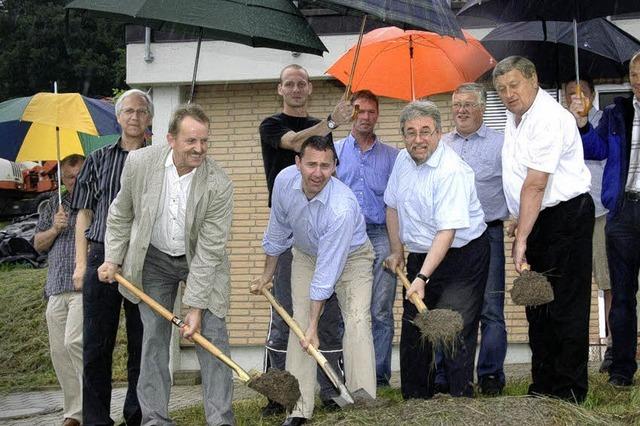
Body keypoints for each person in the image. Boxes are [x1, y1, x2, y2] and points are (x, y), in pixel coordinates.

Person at [98, 104, 235, 425]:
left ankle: (220, 420)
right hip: (154, 259)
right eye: (191, 141)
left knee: (213, 337)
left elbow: (210, 249)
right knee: (155, 341)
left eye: (204, 141)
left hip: (199, 259)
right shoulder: (140, 163)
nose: (199, 149)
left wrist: (196, 307)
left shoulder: (219, 183)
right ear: (171, 139)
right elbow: (121, 214)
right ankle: (155, 419)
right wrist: (112, 258)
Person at [252, 136, 376, 426]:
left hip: (352, 257)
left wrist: (314, 324)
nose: (317, 172)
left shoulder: (341, 207)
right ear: (298, 163)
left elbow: (327, 273)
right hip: (306, 254)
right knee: (299, 328)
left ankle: (362, 400)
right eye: (311, 164)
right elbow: (277, 231)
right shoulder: (284, 182)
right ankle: (298, 408)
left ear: (334, 168)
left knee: (357, 320)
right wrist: (267, 275)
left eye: (325, 165)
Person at [494, 56, 594, 402]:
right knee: (538, 305)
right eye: (502, 89)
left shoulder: (549, 117)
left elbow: (536, 185)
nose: (508, 94)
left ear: (533, 79)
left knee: (566, 307)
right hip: (539, 219)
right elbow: (520, 180)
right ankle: (544, 385)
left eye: (514, 85)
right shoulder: (514, 116)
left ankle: (569, 391)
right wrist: (520, 222)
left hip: (567, 218)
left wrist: (521, 238)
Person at [258, 64, 354, 414]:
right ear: (280, 89)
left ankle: (330, 389)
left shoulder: (325, 133)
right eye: (289, 84)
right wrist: (331, 122)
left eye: (302, 83)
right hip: (287, 237)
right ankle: (277, 393)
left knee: (327, 317)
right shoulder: (271, 125)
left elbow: (331, 170)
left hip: (321, 234)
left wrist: (331, 125)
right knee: (285, 316)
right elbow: (294, 142)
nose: (296, 89)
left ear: (310, 88)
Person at [384, 100, 489, 399]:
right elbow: (391, 205)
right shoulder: (402, 160)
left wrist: (423, 278)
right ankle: (417, 400)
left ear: (440, 133)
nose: (418, 139)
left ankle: (460, 401)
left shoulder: (452, 170)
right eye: (411, 132)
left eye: (426, 131)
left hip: (462, 255)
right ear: (403, 136)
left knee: (453, 326)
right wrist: (396, 251)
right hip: (421, 252)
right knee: (415, 327)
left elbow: (447, 231)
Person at [72, 88, 152, 425]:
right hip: (101, 257)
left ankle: (136, 414)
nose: (134, 117)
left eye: (141, 112)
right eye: (128, 111)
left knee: (142, 343)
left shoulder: (160, 160)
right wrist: (80, 264)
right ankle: (95, 419)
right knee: (96, 345)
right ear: (118, 117)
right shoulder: (97, 159)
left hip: (145, 258)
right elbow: (83, 214)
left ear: (149, 119)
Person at [569, 51, 640, 388]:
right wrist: (582, 121)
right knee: (623, 295)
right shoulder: (616, 114)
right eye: (634, 74)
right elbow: (594, 149)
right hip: (624, 212)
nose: (638, 80)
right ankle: (622, 370)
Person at [440, 82, 509, 396]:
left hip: (488, 234)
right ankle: (449, 376)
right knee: (450, 309)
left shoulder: (501, 144)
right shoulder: (441, 145)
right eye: (457, 105)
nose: (461, 111)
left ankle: (491, 375)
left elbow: (515, 184)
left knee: (490, 308)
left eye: (468, 105)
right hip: (448, 238)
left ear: (482, 108)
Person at [334, 89, 399, 387]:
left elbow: (394, 204)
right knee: (348, 307)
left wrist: (397, 246)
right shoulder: (332, 151)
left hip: (380, 234)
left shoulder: (392, 157)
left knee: (381, 308)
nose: (365, 117)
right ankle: (350, 375)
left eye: (371, 111)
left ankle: (380, 375)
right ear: (350, 113)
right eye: (359, 110)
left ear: (377, 116)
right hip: (345, 238)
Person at [563, 75, 612, 373]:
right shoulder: (559, 124)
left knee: (608, 284)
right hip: (570, 214)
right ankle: (573, 350)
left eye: (581, 92)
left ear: (592, 95)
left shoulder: (605, 121)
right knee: (573, 285)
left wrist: (582, 122)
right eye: (570, 93)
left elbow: (598, 150)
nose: (575, 97)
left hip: (601, 212)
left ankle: (614, 347)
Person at [34, 154, 86, 426]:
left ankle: (94, 406)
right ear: (62, 178)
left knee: (74, 343)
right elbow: (38, 245)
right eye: (68, 177)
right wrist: (55, 228)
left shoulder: (95, 203)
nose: (74, 181)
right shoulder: (51, 206)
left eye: (78, 175)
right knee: (60, 353)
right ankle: (74, 414)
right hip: (55, 287)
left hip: (83, 287)